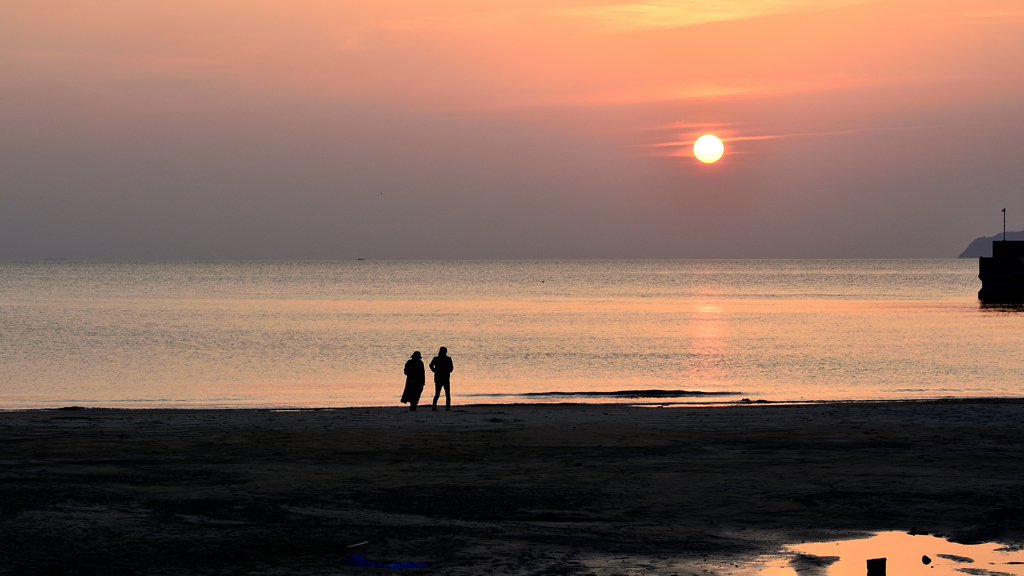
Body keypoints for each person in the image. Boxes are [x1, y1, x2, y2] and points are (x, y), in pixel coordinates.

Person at [429, 347, 454, 411]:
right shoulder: (437, 359)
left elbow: (451, 368)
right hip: (440, 378)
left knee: (444, 394)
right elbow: (431, 365)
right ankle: (439, 408)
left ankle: (444, 408)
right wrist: (434, 370)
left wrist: (435, 370)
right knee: (440, 394)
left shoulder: (447, 359)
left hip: (443, 378)